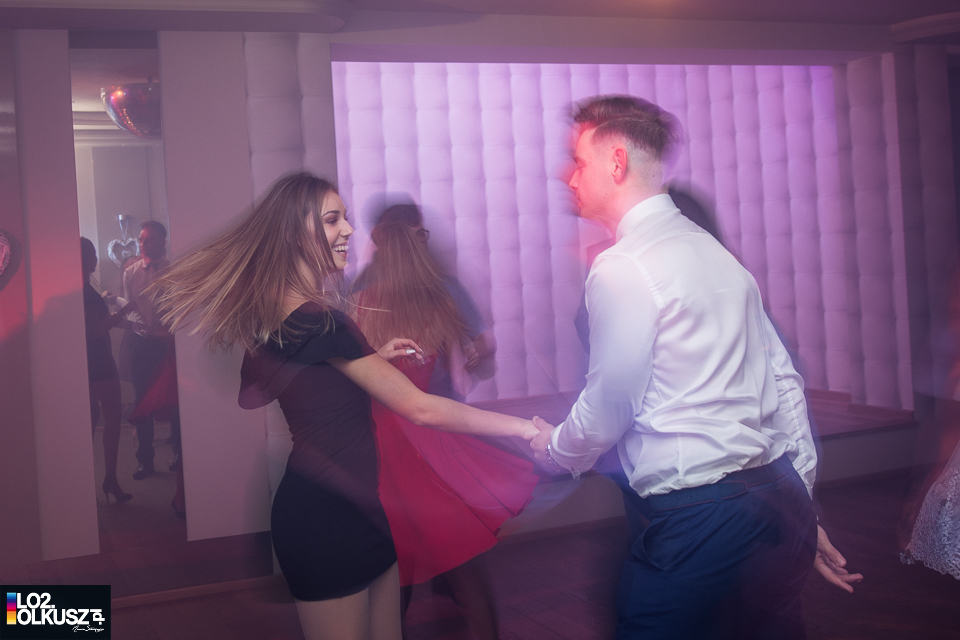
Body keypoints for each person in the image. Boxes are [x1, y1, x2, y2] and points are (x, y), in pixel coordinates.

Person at [148, 173, 538, 640]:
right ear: (296, 235)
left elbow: (256, 393)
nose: (349, 230)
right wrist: (524, 428)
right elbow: (420, 408)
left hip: (361, 510)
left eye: (346, 218)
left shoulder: (279, 318)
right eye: (333, 220)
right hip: (324, 520)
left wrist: (360, 362)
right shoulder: (323, 322)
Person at [530, 95, 861, 639]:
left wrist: (555, 451)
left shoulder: (622, 265)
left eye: (579, 162)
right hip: (775, 499)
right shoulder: (713, 251)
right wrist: (801, 502)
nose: (569, 177)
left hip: (703, 518)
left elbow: (611, 404)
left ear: (617, 162)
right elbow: (784, 383)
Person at [355, 220, 538, 639]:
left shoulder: (360, 303)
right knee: (462, 555)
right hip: (431, 437)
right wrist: (468, 352)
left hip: (383, 440)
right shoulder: (439, 302)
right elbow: (461, 379)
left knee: (394, 563)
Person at [353, 203, 497, 399]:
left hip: (439, 404)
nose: (417, 244)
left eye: (421, 234)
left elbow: (484, 341)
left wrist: (474, 349)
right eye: (408, 238)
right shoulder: (358, 298)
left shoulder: (447, 291)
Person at [116, 220, 182, 480]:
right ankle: (145, 460)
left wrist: (169, 333)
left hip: (168, 342)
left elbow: (179, 306)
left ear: (162, 241)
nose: (143, 244)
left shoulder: (174, 271)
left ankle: (179, 453)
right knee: (141, 400)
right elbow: (130, 307)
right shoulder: (130, 273)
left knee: (174, 398)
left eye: (149, 239)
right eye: (141, 239)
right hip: (141, 344)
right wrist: (146, 330)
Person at [80, 237, 134, 504]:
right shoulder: (85, 291)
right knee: (112, 417)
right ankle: (109, 478)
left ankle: (87, 482)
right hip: (100, 360)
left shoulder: (80, 289)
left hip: (86, 359)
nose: (96, 258)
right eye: (92, 253)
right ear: (86, 259)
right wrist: (125, 311)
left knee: (90, 419)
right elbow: (97, 330)